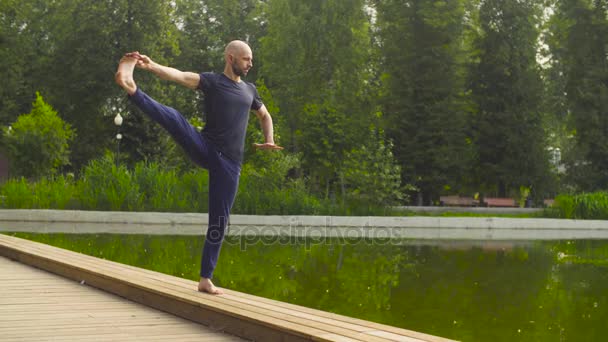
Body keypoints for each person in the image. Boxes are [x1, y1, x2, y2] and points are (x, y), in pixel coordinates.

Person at [114, 40, 282, 295]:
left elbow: (265, 115)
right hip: (206, 147)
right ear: (231, 58)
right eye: (246, 59)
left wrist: (269, 139)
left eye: (251, 59)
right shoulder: (213, 82)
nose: (250, 63)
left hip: (230, 163)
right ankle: (132, 89)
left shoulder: (250, 90)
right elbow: (180, 76)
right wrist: (150, 65)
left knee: (219, 220)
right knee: (176, 119)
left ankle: (206, 279)